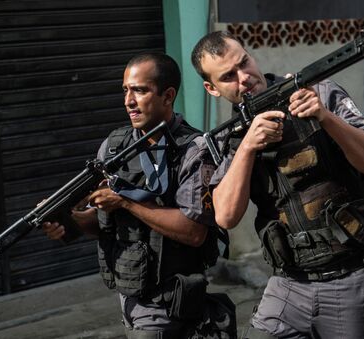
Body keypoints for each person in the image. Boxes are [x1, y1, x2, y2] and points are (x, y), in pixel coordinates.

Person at [191, 31, 364, 338]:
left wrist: (324, 117)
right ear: (211, 89)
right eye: (228, 76)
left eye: (244, 63)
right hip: (288, 284)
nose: (245, 77)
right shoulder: (231, 137)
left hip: (351, 278)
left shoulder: (318, 92)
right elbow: (226, 216)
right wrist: (248, 147)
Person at [42, 52, 235, 338]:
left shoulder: (194, 149)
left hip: (172, 299)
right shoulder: (113, 147)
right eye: (125, 90)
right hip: (130, 298)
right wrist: (70, 221)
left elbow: (194, 231)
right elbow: (105, 223)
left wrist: (124, 201)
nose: (128, 101)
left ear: (167, 96)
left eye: (140, 91)